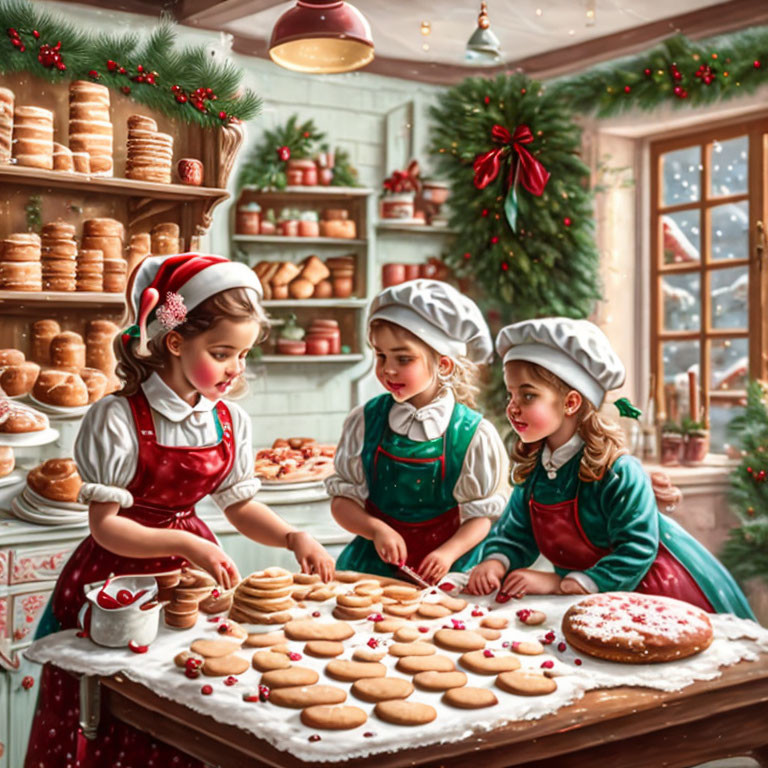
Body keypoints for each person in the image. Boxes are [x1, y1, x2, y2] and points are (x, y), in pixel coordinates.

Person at [25, 252, 335, 768]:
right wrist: (188, 542)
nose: (235, 370)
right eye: (222, 352)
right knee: (117, 712)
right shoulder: (118, 417)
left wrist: (291, 538)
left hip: (191, 584)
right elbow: (105, 528)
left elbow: (239, 504)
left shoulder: (229, 420)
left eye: (242, 356)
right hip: (115, 582)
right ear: (174, 341)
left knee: (187, 709)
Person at [467, 317, 755, 621]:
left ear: (571, 402)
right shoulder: (535, 469)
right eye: (511, 395)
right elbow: (516, 531)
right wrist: (496, 562)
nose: (512, 407)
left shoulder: (617, 471)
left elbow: (636, 549)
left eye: (527, 395)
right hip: (585, 600)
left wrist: (561, 584)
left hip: (646, 591)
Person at [327, 279, 508, 584]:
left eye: (404, 358)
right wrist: (376, 529)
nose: (388, 369)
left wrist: (448, 553)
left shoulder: (473, 434)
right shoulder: (364, 421)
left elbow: (481, 518)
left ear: (445, 365)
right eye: (380, 356)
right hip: (374, 567)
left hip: (446, 570)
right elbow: (341, 502)